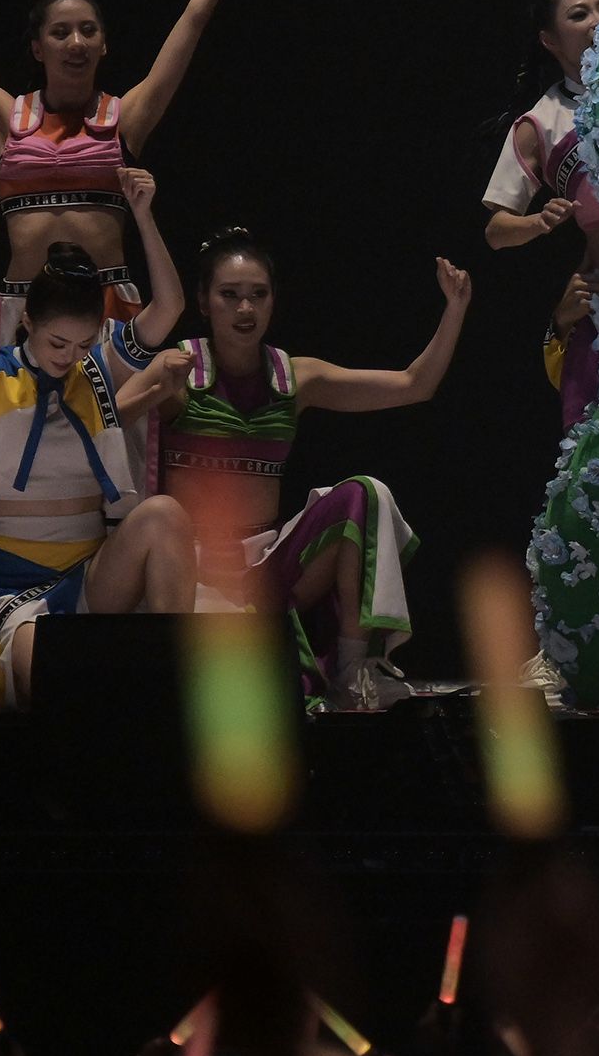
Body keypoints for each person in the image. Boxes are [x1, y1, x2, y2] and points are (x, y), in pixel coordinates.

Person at [139, 231, 471, 710]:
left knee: (366, 493)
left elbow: (413, 384)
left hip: (262, 566)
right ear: (203, 302)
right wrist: (153, 385)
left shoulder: (296, 377)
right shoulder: (179, 370)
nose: (245, 308)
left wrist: (455, 309)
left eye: (258, 294)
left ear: (273, 300)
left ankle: (356, 670)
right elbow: (108, 418)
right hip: (188, 569)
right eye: (229, 294)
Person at [0, 0, 292, 345]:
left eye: (88, 30)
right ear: (37, 47)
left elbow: (194, 19)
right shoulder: (4, 118)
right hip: (26, 308)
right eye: (60, 33)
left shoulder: (125, 118)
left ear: (104, 43)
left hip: (106, 307)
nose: (76, 42)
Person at [0, 174, 191, 708]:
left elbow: (170, 307)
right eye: (57, 342)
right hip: (10, 585)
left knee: (165, 516)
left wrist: (144, 215)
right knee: (50, 679)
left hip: (88, 570)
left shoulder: (99, 370)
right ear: (28, 321)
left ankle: (176, 698)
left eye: (83, 344)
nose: (69, 356)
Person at [482, 0, 599, 426]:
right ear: (549, 40)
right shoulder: (542, 122)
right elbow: (496, 230)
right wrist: (538, 222)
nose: (598, 20)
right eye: (579, 15)